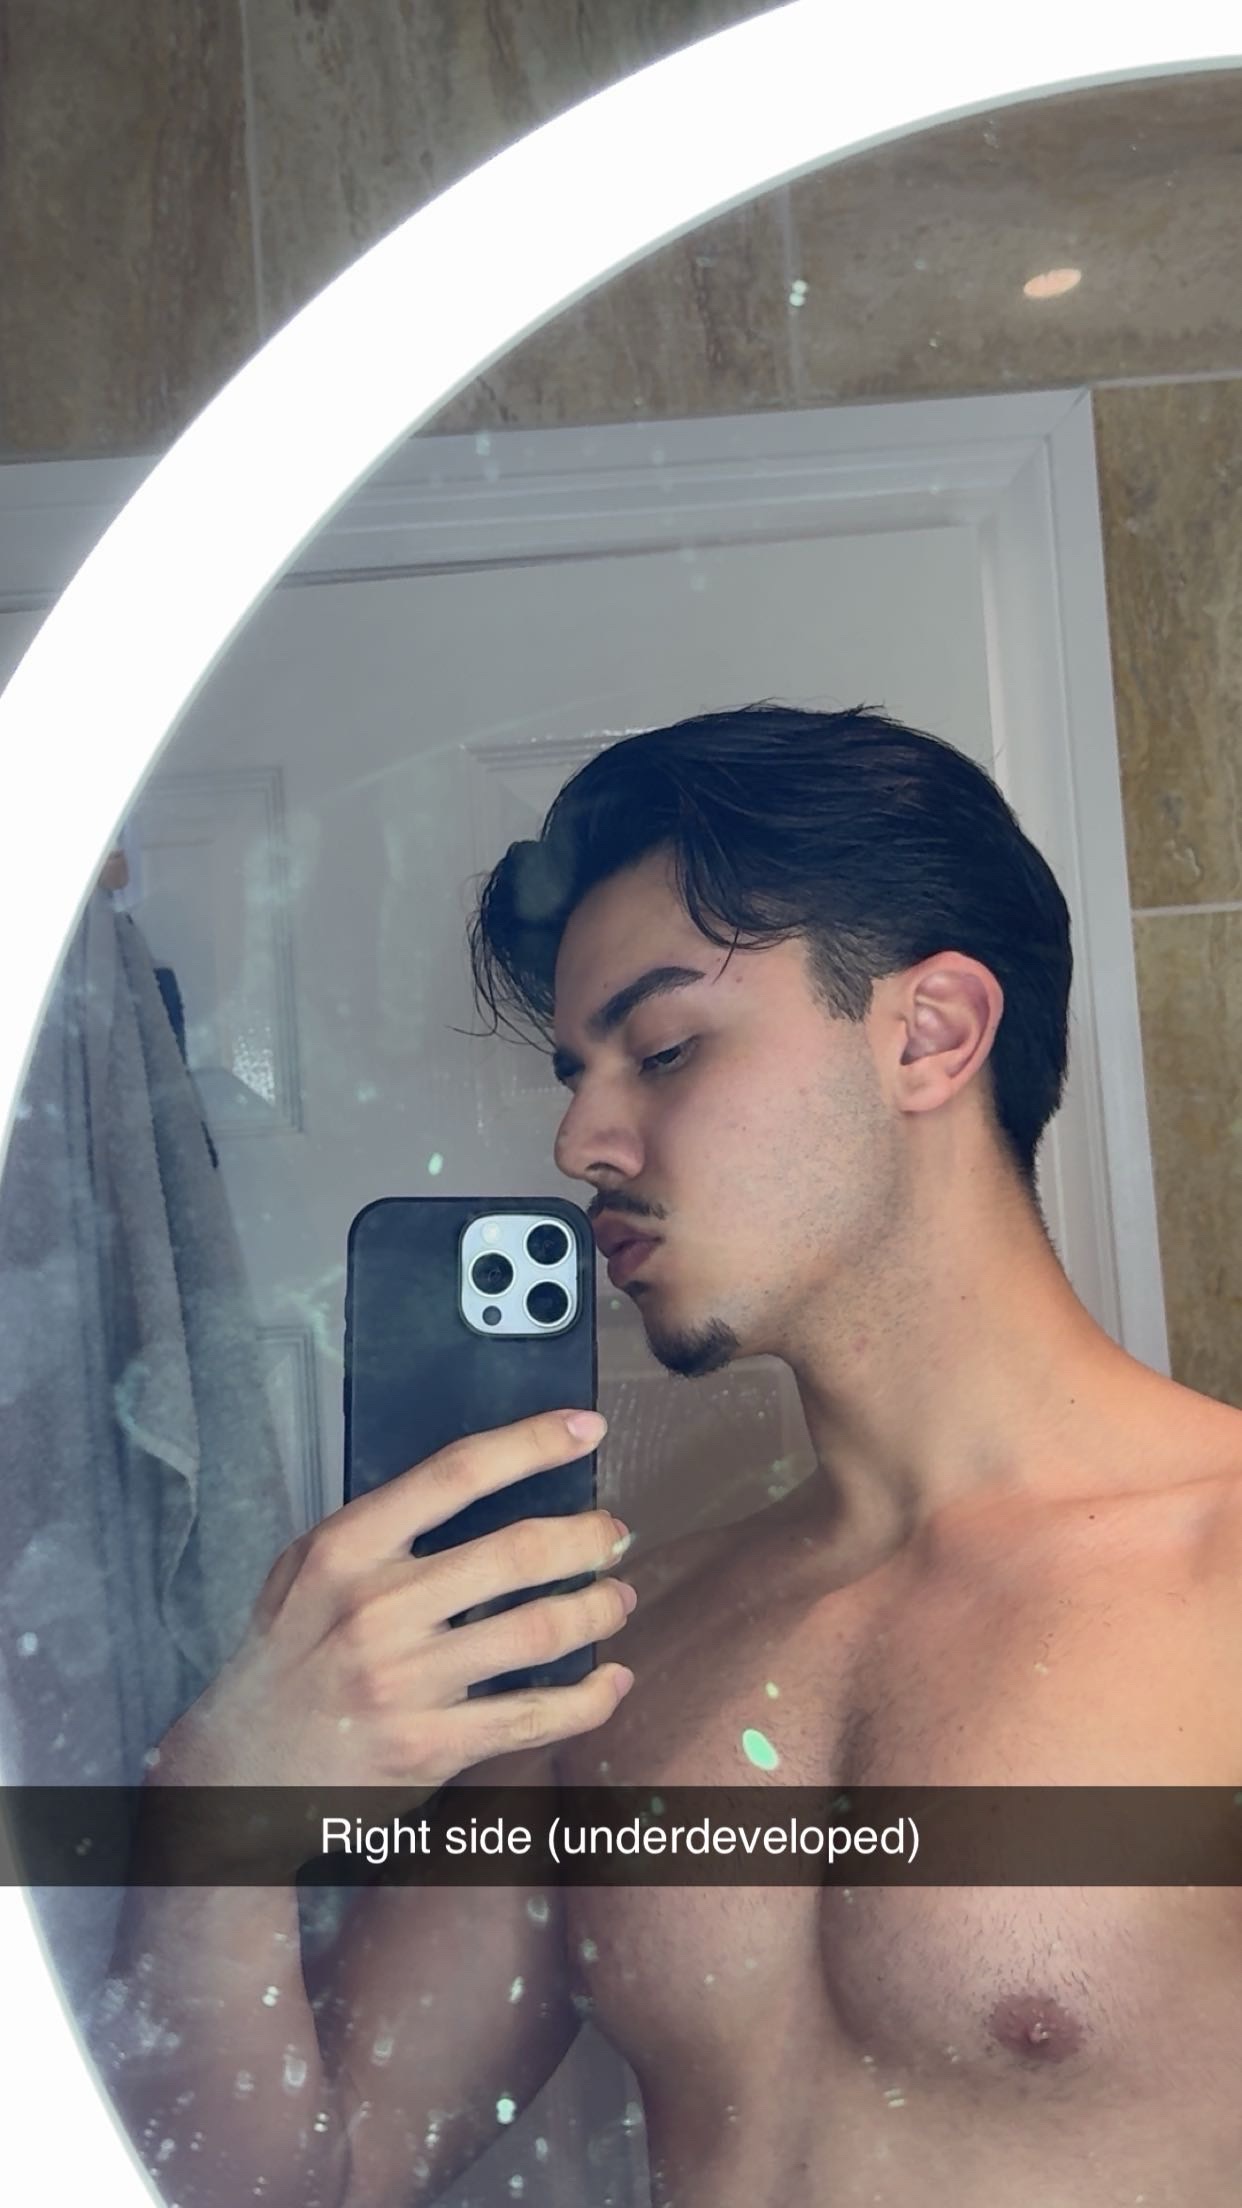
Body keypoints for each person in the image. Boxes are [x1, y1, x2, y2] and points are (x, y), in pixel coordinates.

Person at [94, 705, 1242, 2208]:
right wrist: (216, 1807)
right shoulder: (613, 1654)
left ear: (932, 1034)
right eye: (577, 1072)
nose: (580, 1142)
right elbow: (301, 2182)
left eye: (663, 1049)